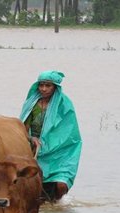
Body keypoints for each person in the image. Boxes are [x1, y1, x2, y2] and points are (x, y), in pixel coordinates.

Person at [19, 70, 82, 204]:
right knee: (32, 185)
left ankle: (58, 204)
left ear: (55, 88)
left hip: (61, 153)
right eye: (41, 85)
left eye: (48, 86)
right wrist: (31, 139)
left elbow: (70, 133)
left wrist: (51, 144)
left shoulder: (65, 105)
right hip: (35, 150)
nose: (44, 89)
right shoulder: (32, 104)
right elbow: (23, 128)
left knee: (61, 185)